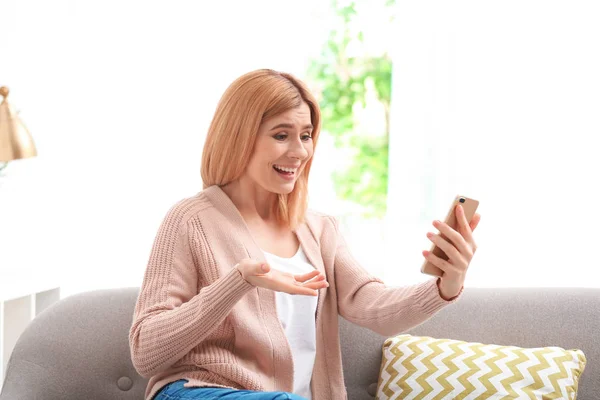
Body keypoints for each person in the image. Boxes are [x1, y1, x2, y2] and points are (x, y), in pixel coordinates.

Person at [129, 69, 481, 400]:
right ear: (239, 138)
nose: (299, 152)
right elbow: (146, 351)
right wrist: (238, 281)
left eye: (306, 135)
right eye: (281, 135)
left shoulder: (319, 228)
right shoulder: (191, 220)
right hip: (196, 391)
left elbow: (371, 302)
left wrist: (445, 285)